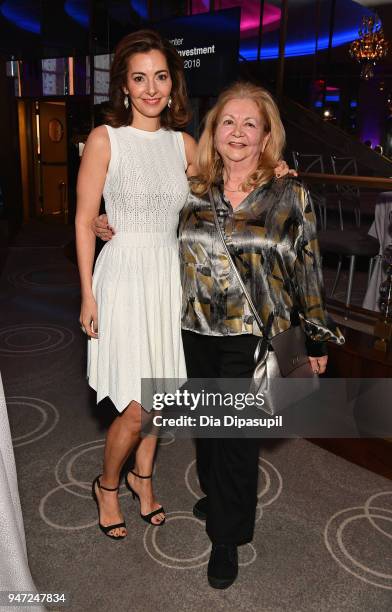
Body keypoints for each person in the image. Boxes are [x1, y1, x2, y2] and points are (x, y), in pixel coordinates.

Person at [178, 82, 344, 588]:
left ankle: (228, 537)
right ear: (213, 130)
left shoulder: (288, 192)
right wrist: (105, 224)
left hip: (252, 335)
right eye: (228, 121)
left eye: (251, 123)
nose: (238, 132)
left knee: (236, 439)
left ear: (267, 134)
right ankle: (216, 492)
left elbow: (308, 268)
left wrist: (315, 340)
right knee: (207, 428)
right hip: (193, 328)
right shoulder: (190, 187)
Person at [75, 29, 198, 538]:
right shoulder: (107, 138)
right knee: (134, 405)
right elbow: (85, 220)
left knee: (160, 398)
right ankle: (108, 484)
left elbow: (229, 189)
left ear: (173, 84)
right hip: (123, 277)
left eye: (161, 77)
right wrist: (87, 293)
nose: (151, 89)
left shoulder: (184, 144)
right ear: (124, 86)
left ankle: (142, 480)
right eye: (140, 78)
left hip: (168, 278)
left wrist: (273, 168)